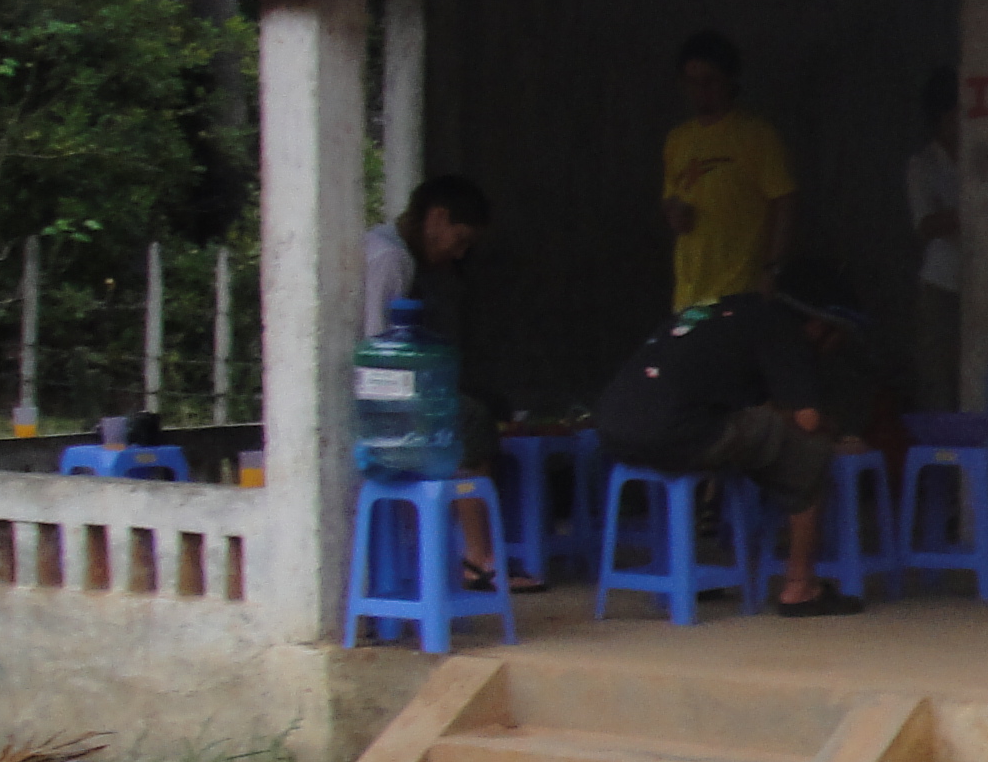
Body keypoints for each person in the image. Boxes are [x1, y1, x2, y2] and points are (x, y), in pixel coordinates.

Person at [587, 262, 872, 615]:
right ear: (818, 325)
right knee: (809, 449)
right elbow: (807, 420)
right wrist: (839, 433)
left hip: (613, 429)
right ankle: (801, 587)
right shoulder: (783, 330)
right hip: (674, 432)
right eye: (839, 336)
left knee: (750, 430)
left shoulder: (718, 311)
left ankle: (688, 566)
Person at [362, 173, 536, 594]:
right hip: (374, 397)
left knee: (473, 408)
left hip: (380, 391)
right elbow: (377, 344)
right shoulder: (391, 258)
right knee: (472, 420)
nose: (458, 253)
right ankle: (480, 557)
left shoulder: (386, 247)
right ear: (437, 218)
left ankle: (461, 552)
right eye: (460, 240)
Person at [660, 30, 798, 312]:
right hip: (689, 293)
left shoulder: (756, 136)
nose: (700, 91)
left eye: (708, 81)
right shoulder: (678, 140)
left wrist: (773, 268)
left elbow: (785, 201)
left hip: (739, 289)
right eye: (691, 82)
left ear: (728, 80)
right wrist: (675, 212)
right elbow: (671, 196)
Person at [906, 67, 963, 410]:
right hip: (942, 282)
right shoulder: (924, 164)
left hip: (984, 281)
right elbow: (924, 224)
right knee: (938, 373)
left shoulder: (982, 156)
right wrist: (967, 213)